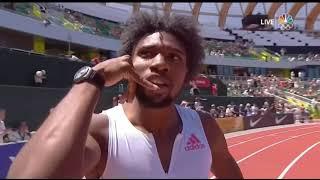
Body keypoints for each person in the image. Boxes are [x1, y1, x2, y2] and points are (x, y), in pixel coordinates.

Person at [8, 11, 243, 179]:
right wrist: (93, 78)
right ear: (127, 65)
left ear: (187, 72)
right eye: (147, 53)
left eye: (174, 57)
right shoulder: (101, 132)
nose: (160, 63)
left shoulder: (205, 127)